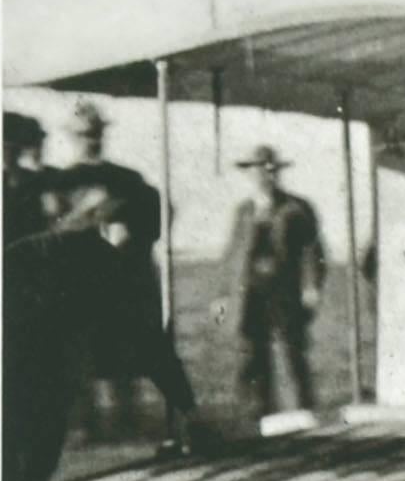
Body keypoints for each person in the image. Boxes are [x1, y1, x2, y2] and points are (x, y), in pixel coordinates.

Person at [46, 100, 202, 458]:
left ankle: (127, 421)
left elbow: (162, 214)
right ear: (71, 137)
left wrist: (133, 236)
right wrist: (87, 215)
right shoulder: (59, 182)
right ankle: (82, 426)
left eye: (96, 133)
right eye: (84, 134)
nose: (91, 140)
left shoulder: (127, 179)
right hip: (76, 281)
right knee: (76, 354)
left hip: (122, 281)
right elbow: (50, 231)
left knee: (125, 349)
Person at [1, 113, 97, 481]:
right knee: (8, 428)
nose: (13, 154)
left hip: (45, 324)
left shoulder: (42, 188)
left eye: (17, 146)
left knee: (46, 427)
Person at [219, 144, 329, 422]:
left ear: (276, 173)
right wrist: (222, 296)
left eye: (268, 170)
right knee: (252, 357)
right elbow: (232, 255)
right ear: (250, 174)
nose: (262, 176)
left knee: (293, 352)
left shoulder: (297, 209)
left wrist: (311, 286)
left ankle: (304, 413)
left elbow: (312, 251)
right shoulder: (244, 211)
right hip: (250, 295)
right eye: (256, 170)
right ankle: (257, 416)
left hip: (285, 294)